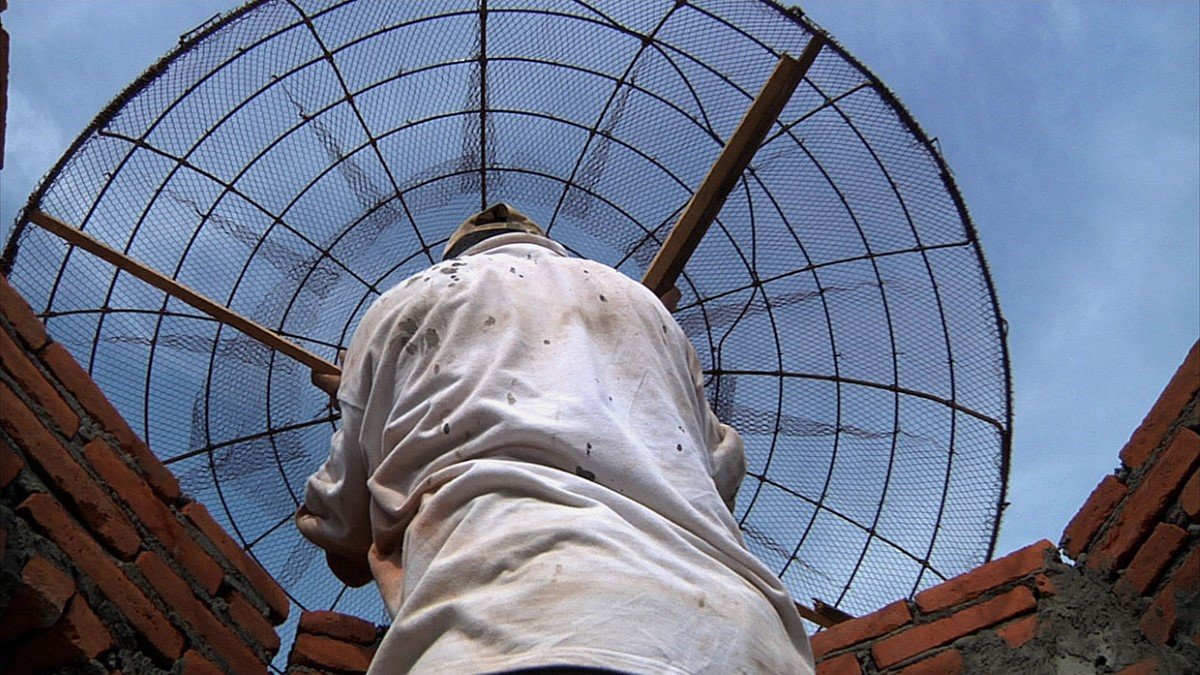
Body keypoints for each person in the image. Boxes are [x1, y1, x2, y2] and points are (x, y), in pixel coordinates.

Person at [296, 204, 815, 674]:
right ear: (546, 242)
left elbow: (346, 539)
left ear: (454, 253)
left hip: (513, 625)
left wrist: (362, 397)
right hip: (739, 639)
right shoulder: (642, 304)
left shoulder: (403, 303)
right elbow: (720, 471)